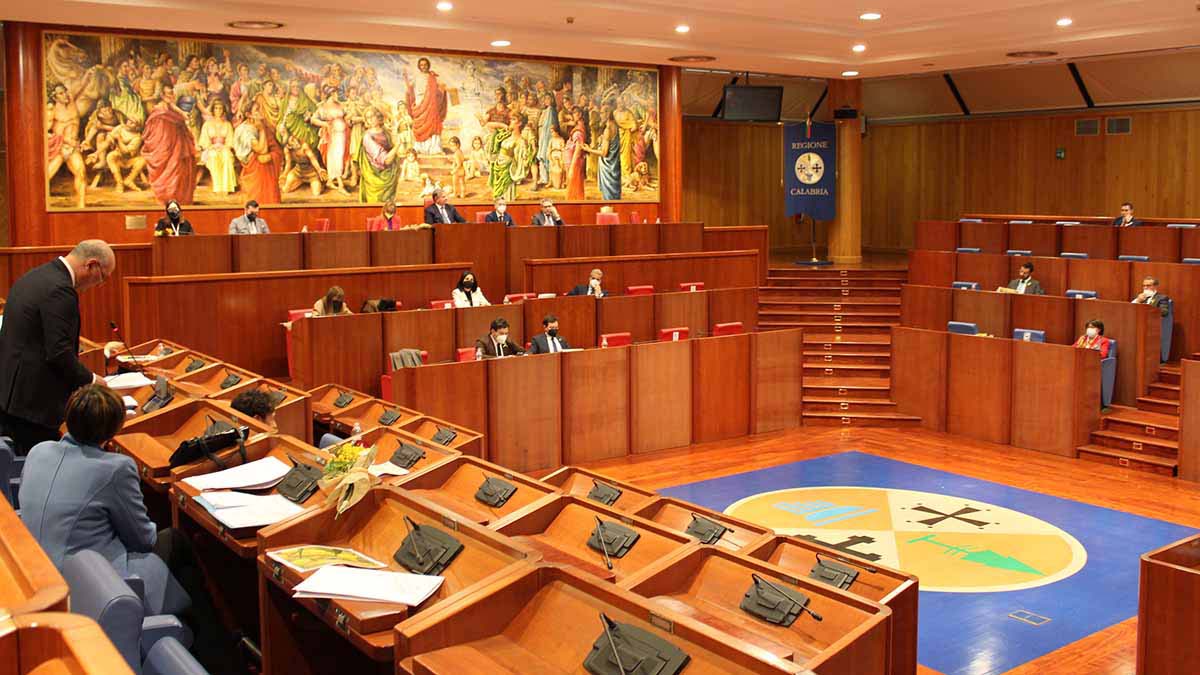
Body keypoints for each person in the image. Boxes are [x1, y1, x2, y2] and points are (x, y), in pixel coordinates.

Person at [19, 385, 241, 673]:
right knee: (177, 543)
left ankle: (212, 649)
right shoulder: (116, 468)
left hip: (35, 574)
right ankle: (221, 656)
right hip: (85, 584)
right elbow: (143, 539)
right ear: (113, 429)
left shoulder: (38, 451)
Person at [0, 240, 112, 455]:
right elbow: (59, 353)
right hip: (34, 407)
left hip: (10, 397)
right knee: (35, 466)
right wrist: (91, 379)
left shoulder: (35, 276)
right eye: (103, 277)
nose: (100, 285)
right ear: (92, 265)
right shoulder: (61, 290)